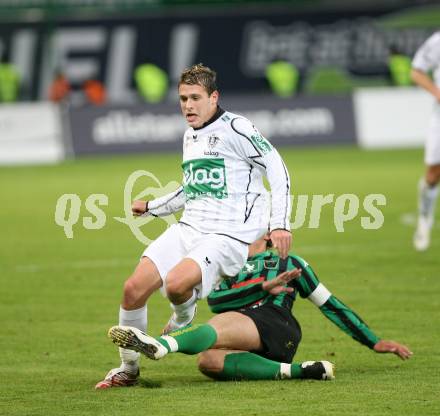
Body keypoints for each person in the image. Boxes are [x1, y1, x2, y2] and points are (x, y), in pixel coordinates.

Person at [95, 64, 292, 389]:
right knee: (133, 290)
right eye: (183, 98)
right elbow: (191, 187)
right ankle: (127, 371)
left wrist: (280, 224)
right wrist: (153, 207)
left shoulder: (238, 128)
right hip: (189, 228)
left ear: (214, 97)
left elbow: (277, 167)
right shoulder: (190, 135)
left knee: (175, 284)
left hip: (227, 236)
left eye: (195, 98)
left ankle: (183, 319)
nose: (188, 105)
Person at [108, 234, 412, 383]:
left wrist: (373, 340)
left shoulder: (290, 263)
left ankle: (161, 346)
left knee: (220, 325)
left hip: (278, 324)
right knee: (209, 362)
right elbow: (215, 301)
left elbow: (330, 304)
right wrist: (260, 287)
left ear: (266, 235)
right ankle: (301, 371)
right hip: (253, 336)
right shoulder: (229, 265)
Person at [411, 31, 440, 251]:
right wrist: (436, 92)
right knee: (433, 174)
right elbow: (416, 71)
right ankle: (424, 217)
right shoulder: (437, 41)